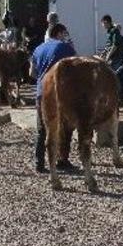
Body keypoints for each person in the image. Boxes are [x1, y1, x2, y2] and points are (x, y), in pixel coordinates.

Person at [31, 23, 77, 171]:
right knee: (65, 127)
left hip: (41, 92)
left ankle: (39, 163)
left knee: (42, 129)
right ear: (59, 33)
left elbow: (32, 73)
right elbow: (75, 68)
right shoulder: (65, 47)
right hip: (61, 93)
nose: (65, 36)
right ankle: (62, 159)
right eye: (64, 33)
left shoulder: (38, 49)